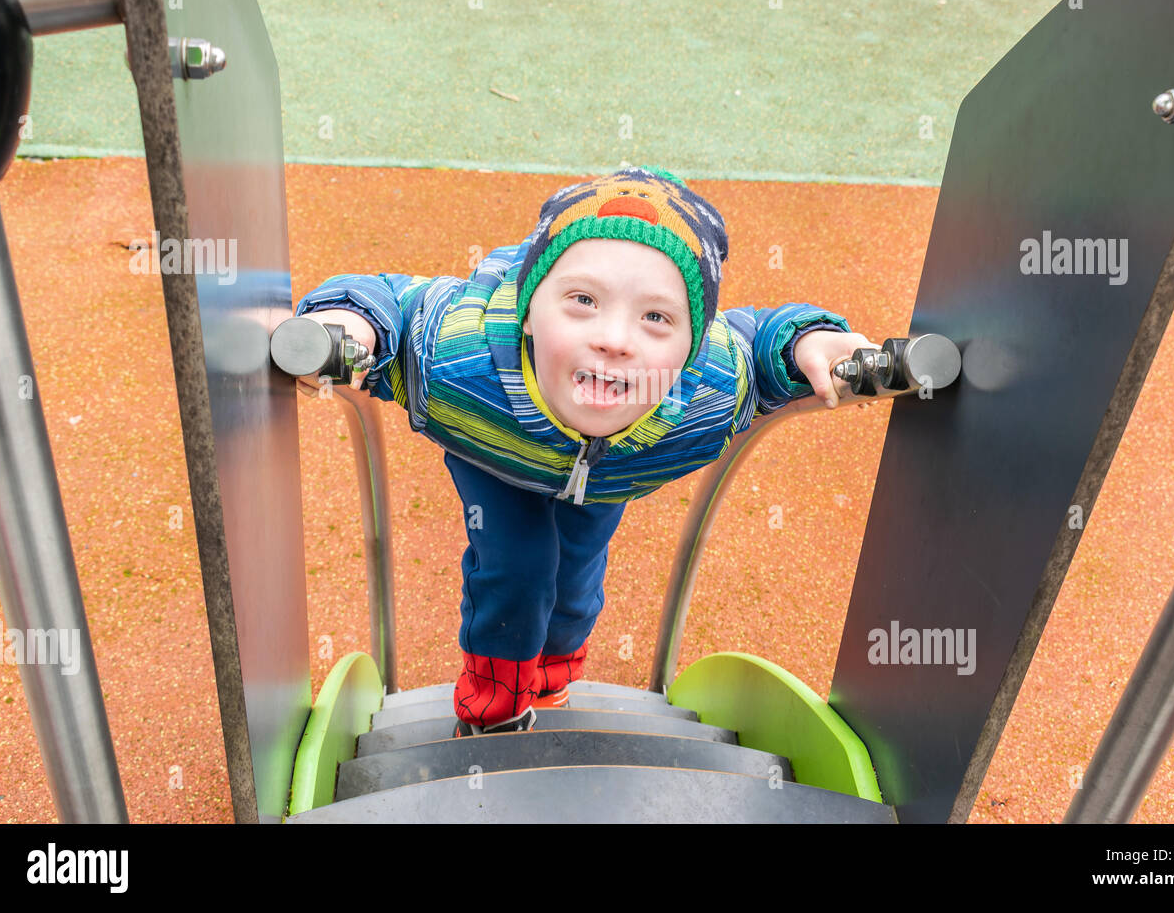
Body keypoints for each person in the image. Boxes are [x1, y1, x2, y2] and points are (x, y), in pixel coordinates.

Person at [293, 165, 875, 736]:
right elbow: (393, 302)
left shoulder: (712, 390)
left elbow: (762, 341)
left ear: (691, 348)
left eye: (656, 316)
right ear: (527, 311)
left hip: (614, 468)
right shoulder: (455, 357)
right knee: (517, 568)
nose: (614, 339)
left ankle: (549, 677)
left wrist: (812, 341)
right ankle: (494, 711)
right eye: (582, 301)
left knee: (576, 581)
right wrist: (351, 324)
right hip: (499, 446)